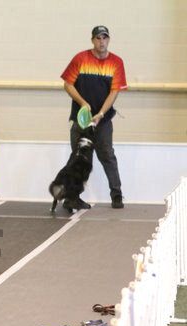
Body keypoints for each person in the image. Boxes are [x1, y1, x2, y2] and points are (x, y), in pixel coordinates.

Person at [61, 25, 127, 209]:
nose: (101, 41)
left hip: (103, 121)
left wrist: (100, 114)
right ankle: (71, 198)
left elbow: (114, 92)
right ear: (92, 40)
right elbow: (68, 85)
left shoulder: (116, 62)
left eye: (105, 38)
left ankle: (117, 195)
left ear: (109, 40)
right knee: (80, 159)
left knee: (107, 156)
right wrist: (83, 103)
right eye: (98, 38)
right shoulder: (80, 59)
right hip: (81, 120)